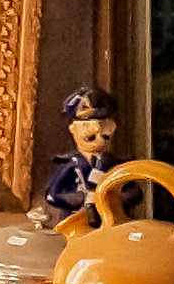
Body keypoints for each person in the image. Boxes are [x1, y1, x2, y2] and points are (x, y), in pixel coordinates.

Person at [40, 85, 126, 222]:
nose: (97, 129)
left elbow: (134, 192)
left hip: (111, 224)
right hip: (76, 223)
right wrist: (81, 198)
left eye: (103, 123)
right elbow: (53, 195)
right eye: (87, 124)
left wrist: (116, 197)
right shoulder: (70, 165)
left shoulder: (114, 164)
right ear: (73, 129)